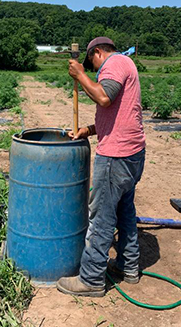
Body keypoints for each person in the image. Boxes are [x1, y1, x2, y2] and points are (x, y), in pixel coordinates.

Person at [56, 37, 146, 297]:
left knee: (102, 217)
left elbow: (104, 98)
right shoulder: (126, 63)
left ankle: (91, 279)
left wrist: (81, 75)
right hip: (132, 153)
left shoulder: (115, 63)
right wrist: (89, 130)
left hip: (116, 156)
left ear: (98, 52)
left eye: (92, 65)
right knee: (124, 211)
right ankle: (128, 267)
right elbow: (119, 114)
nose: (95, 71)